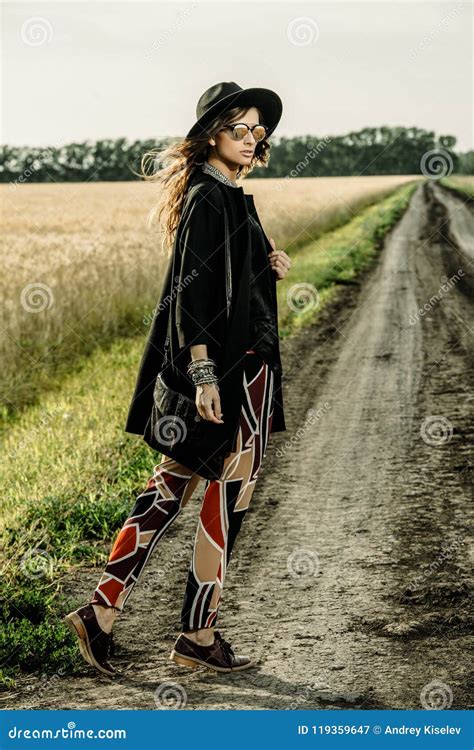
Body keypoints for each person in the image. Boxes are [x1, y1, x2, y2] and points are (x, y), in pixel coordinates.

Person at [64, 81, 292, 677]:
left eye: (256, 132)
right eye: (237, 129)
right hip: (229, 371)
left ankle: (102, 611)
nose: (249, 140)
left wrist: (266, 264)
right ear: (211, 134)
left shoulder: (230, 195)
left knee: (172, 490)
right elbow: (191, 296)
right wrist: (205, 374)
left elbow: (225, 278)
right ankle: (196, 633)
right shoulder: (208, 197)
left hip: (241, 363)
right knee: (226, 493)